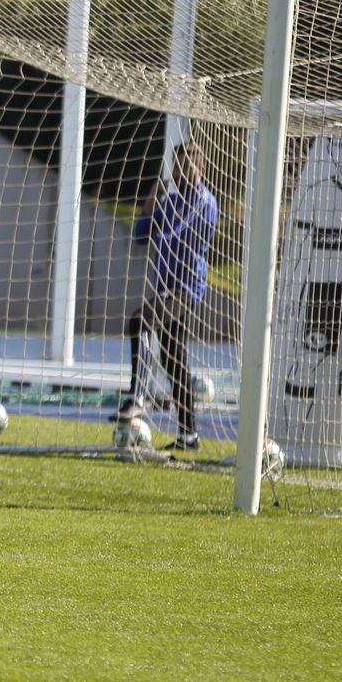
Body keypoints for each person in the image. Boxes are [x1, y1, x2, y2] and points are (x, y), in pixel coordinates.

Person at [111, 141, 219, 451]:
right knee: (173, 360)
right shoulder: (169, 201)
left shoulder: (205, 201)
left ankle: (138, 397)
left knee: (139, 320)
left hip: (186, 288)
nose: (179, 170)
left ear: (201, 169)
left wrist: (160, 224)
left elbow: (182, 235)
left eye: (186, 165)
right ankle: (189, 436)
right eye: (176, 164)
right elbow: (141, 236)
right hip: (165, 287)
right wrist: (149, 204)